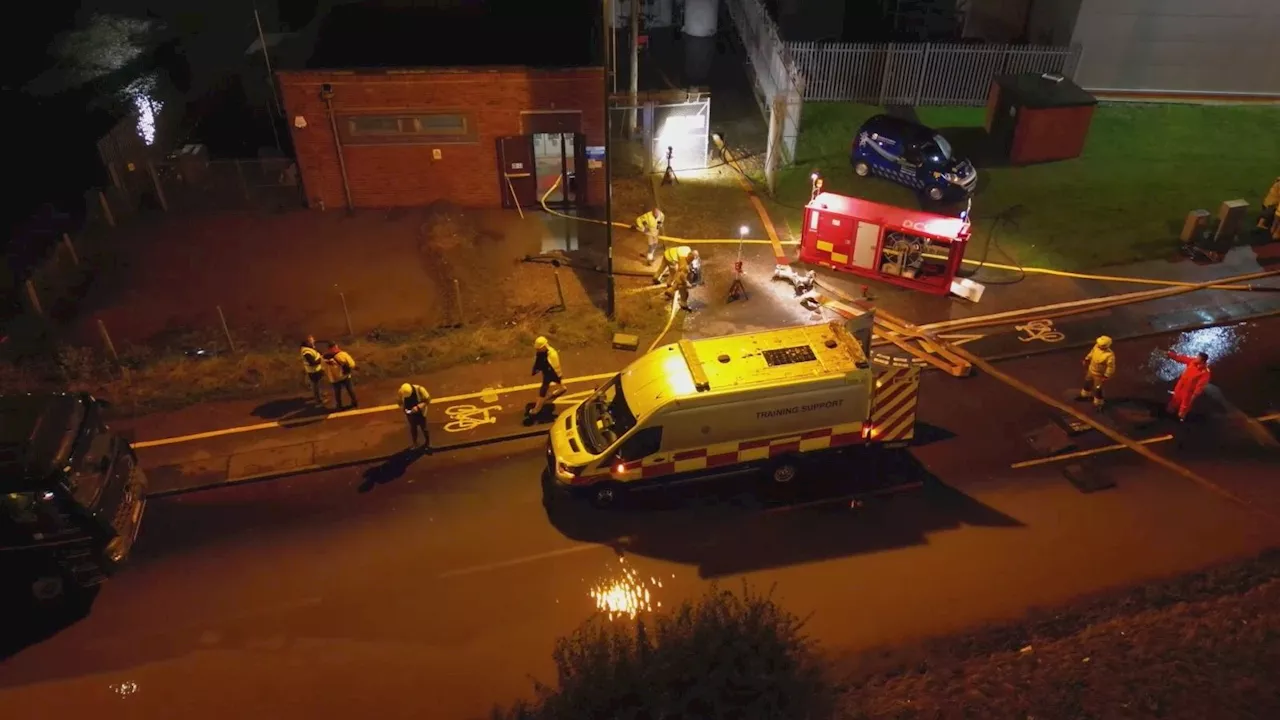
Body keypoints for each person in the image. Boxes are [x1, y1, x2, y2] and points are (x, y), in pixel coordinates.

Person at [1166, 351, 1211, 422]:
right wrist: (1171, 355)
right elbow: (1181, 358)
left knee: (1184, 406)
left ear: (1202, 361)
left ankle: (1181, 419)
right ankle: (1169, 414)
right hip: (1181, 386)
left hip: (1189, 390)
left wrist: (1195, 395)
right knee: (1174, 399)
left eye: (1198, 358)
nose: (1196, 358)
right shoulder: (1192, 361)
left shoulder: (1205, 372)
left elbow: (1201, 385)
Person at [528, 336, 565, 417]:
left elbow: (555, 368)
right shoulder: (542, 352)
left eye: (539, 348)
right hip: (548, 371)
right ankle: (562, 388)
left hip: (551, 372)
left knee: (543, 390)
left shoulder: (552, 355)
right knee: (557, 382)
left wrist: (557, 375)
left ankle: (537, 409)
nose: (537, 350)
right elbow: (539, 361)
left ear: (544, 346)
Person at [1079, 335, 1115, 410]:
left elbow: (1110, 367)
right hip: (1091, 370)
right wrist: (1087, 359)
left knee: (1098, 388)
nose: (1099, 345)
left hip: (1099, 375)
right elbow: (1091, 353)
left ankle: (1098, 403)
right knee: (1087, 382)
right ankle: (1085, 396)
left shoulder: (1109, 355)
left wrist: (1106, 375)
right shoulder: (1096, 347)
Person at [323, 341, 358, 410]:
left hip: (334, 378)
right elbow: (352, 364)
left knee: (337, 393)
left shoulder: (324, 358)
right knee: (350, 389)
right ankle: (354, 402)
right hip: (345, 376)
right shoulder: (343, 354)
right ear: (336, 347)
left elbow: (323, 367)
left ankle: (339, 406)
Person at [398, 382, 432, 449]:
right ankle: (415, 443)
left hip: (421, 413)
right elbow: (399, 402)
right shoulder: (401, 392)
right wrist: (404, 409)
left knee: (424, 428)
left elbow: (428, 400)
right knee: (413, 428)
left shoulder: (420, 389)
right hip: (410, 413)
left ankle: (428, 443)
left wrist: (418, 407)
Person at [299, 335, 326, 405]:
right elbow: (312, 363)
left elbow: (318, 352)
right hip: (313, 371)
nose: (313, 341)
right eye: (311, 340)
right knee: (315, 386)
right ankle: (319, 400)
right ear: (307, 342)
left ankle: (320, 394)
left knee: (318, 384)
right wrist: (320, 360)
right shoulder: (306, 352)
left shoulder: (310, 348)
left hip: (317, 369)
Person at [1261, 176, 1280, 240]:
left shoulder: (1278, 181)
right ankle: (1276, 233)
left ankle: (1273, 230)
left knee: (1276, 218)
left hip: (1269, 204)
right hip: (1273, 205)